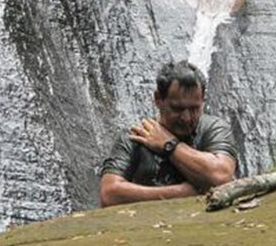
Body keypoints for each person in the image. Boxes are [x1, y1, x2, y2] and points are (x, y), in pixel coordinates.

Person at [99, 60, 238, 207]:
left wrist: (170, 145)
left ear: (203, 99)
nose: (186, 118)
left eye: (194, 109)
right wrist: (182, 193)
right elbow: (109, 194)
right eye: (177, 109)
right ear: (158, 99)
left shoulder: (215, 129)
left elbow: (222, 176)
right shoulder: (136, 137)